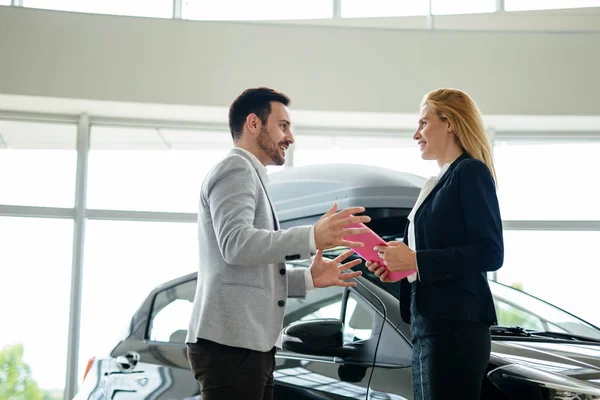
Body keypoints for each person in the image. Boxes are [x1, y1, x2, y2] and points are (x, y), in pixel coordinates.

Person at [186, 87, 371, 400]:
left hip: (247, 345)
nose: (290, 137)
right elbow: (237, 244)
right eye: (283, 126)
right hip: (232, 345)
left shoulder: (251, 175)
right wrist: (312, 237)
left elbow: (249, 269)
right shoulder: (236, 168)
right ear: (254, 124)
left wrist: (309, 279)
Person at [367, 88, 504, 400]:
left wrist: (415, 260)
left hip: (455, 327)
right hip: (427, 324)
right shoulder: (438, 181)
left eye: (424, 123)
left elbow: (490, 252)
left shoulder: (470, 172)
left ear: (450, 123)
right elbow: (430, 255)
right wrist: (399, 268)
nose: (417, 134)